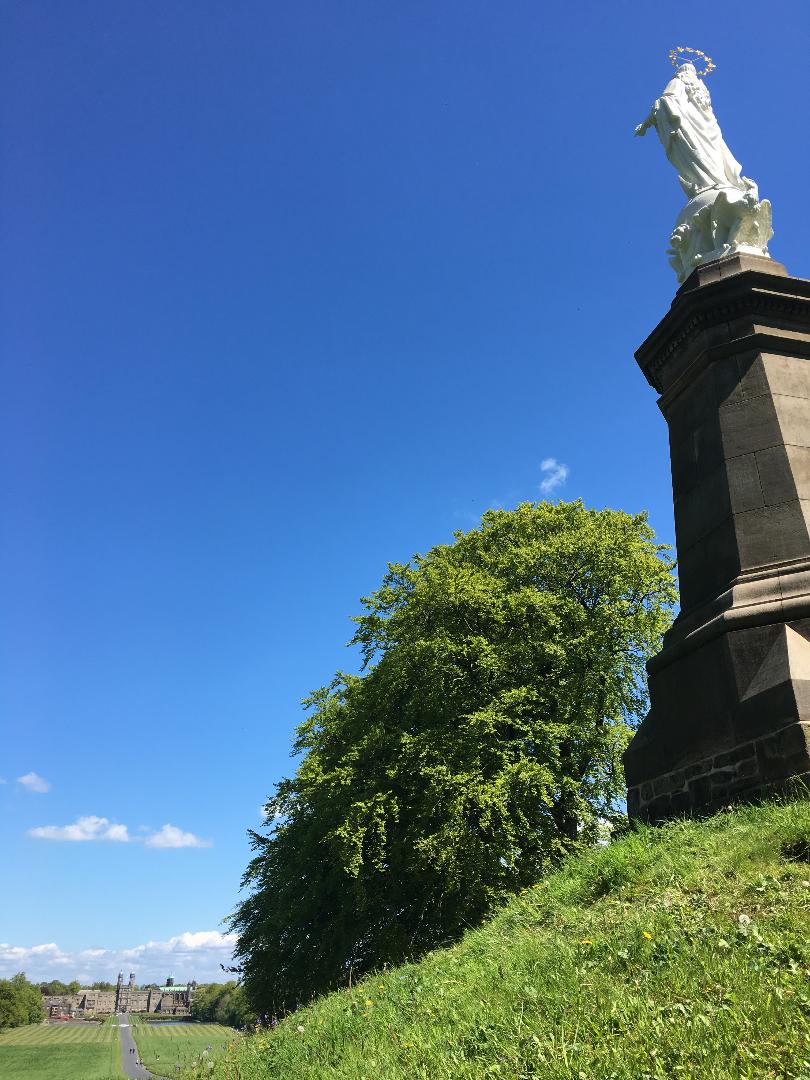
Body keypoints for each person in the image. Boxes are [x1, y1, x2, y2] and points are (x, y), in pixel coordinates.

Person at [635, 63, 747, 198]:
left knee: (698, 155)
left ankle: (710, 182)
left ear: (680, 72)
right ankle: (718, 181)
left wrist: (645, 124)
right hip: (710, 130)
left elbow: (665, 100)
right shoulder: (702, 90)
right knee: (713, 156)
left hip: (690, 127)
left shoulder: (678, 81)